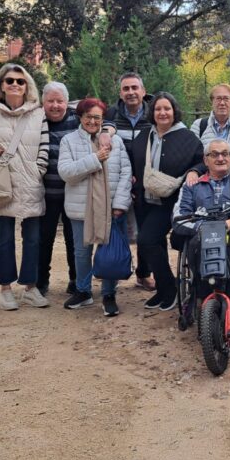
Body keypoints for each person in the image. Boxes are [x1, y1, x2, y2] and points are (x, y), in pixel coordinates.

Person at [173, 139, 230, 330]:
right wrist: (203, 227)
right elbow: (178, 218)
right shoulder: (192, 186)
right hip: (203, 233)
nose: (220, 158)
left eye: (225, 153)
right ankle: (200, 298)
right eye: (214, 154)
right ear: (205, 160)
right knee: (193, 245)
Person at [0, 63, 50, 311]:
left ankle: (30, 287)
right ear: (1, 84)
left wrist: (37, 169)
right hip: (3, 182)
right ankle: (5, 289)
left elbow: (45, 147)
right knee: (4, 238)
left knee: (32, 239)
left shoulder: (38, 114)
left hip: (31, 182)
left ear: (27, 84)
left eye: (20, 81)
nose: (15, 85)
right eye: (10, 81)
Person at [57, 98, 133, 316]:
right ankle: (83, 290)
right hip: (81, 208)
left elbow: (126, 172)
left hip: (110, 207)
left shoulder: (114, 141)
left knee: (108, 253)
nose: (92, 121)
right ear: (80, 117)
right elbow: (66, 173)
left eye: (97, 117)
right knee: (82, 252)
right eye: (88, 116)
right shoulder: (69, 141)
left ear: (103, 119)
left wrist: (120, 203)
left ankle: (109, 294)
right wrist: (95, 159)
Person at [129, 92, 204, 310]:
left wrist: (193, 171)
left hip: (171, 202)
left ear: (174, 111)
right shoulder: (143, 136)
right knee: (155, 244)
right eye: (158, 109)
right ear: (152, 112)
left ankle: (171, 287)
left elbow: (201, 161)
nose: (163, 113)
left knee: (146, 240)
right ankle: (163, 289)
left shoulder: (187, 137)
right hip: (144, 200)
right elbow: (134, 164)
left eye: (167, 109)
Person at [103, 72, 155, 290]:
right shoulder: (112, 113)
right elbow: (104, 129)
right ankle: (114, 270)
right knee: (116, 229)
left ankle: (143, 274)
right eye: (126, 89)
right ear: (120, 93)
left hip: (147, 182)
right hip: (118, 182)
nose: (131, 92)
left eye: (135, 88)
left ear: (143, 91)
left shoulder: (154, 113)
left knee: (145, 231)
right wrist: (107, 130)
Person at [38, 81, 80, 297]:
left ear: (66, 101)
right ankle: (41, 280)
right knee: (44, 238)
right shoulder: (36, 120)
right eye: (50, 101)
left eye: (59, 101)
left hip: (73, 192)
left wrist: (106, 130)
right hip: (45, 193)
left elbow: (102, 116)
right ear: (42, 102)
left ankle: (75, 279)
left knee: (74, 239)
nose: (55, 105)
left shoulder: (77, 117)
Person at [192, 83, 230, 155]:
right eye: (218, 98)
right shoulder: (199, 126)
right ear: (212, 101)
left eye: (226, 98)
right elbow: (192, 156)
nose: (222, 103)